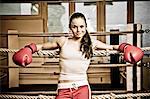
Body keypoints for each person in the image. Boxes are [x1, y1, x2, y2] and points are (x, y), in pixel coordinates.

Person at [12, 12, 144, 99]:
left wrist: (126, 47)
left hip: (82, 87)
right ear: (70, 27)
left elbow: (112, 47)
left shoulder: (91, 42)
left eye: (81, 26)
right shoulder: (62, 41)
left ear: (86, 27)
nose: (78, 30)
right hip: (63, 87)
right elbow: (42, 46)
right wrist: (29, 49)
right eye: (74, 27)